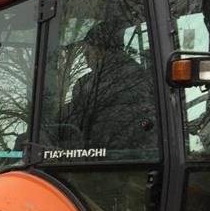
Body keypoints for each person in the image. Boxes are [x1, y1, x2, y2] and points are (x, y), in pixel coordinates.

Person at [67, 21, 157, 156]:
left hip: (105, 156)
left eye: (88, 51)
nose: (85, 57)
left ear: (101, 50)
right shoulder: (141, 76)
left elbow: (75, 118)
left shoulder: (90, 85)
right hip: (142, 152)